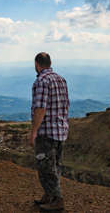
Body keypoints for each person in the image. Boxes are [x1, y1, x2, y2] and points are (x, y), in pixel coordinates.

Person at [29, 52, 69, 211]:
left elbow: (40, 108)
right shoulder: (61, 79)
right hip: (60, 130)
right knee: (55, 166)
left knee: (45, 167)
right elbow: (66, 104)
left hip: (47, 132)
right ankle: (49, 195)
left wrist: (33, 131)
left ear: (37, 64)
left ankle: (57, 200)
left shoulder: (42, 81)